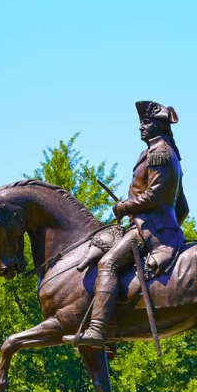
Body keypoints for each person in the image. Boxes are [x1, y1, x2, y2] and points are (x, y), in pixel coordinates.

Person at [64, 101, 189, 348]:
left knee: (108, 263)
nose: (141, 128)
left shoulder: (159, 153)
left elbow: (153, 196)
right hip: (154, 227)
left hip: (150, 229)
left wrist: (124, 207)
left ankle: (98, 330)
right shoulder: (164, 154)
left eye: (146, 123)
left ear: (159, 126)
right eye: (141, 123)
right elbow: (182, 207)